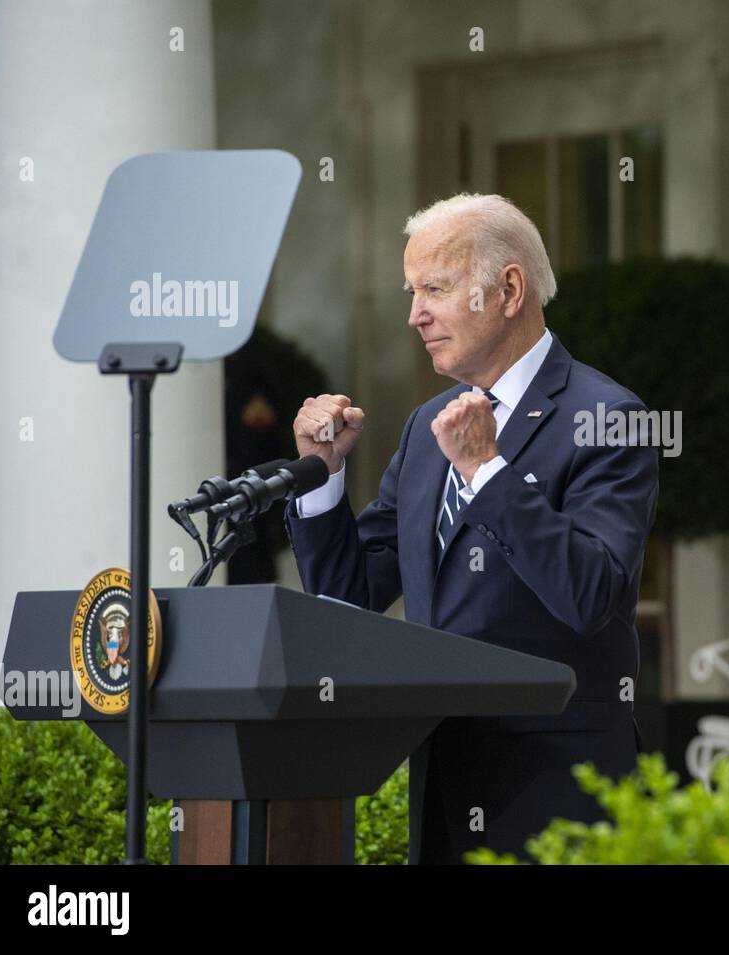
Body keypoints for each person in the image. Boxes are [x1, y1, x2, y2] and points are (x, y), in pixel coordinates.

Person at [284, 193, 658, 861]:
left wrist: (488, 470)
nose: (414, 314)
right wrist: (323, 477)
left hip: (561, 794)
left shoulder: (609, 416)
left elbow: (591, 593)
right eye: (412, 291)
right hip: (444, 785)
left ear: (508, 289)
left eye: (434, 288)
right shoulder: (428, 431)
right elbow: (350, 595)